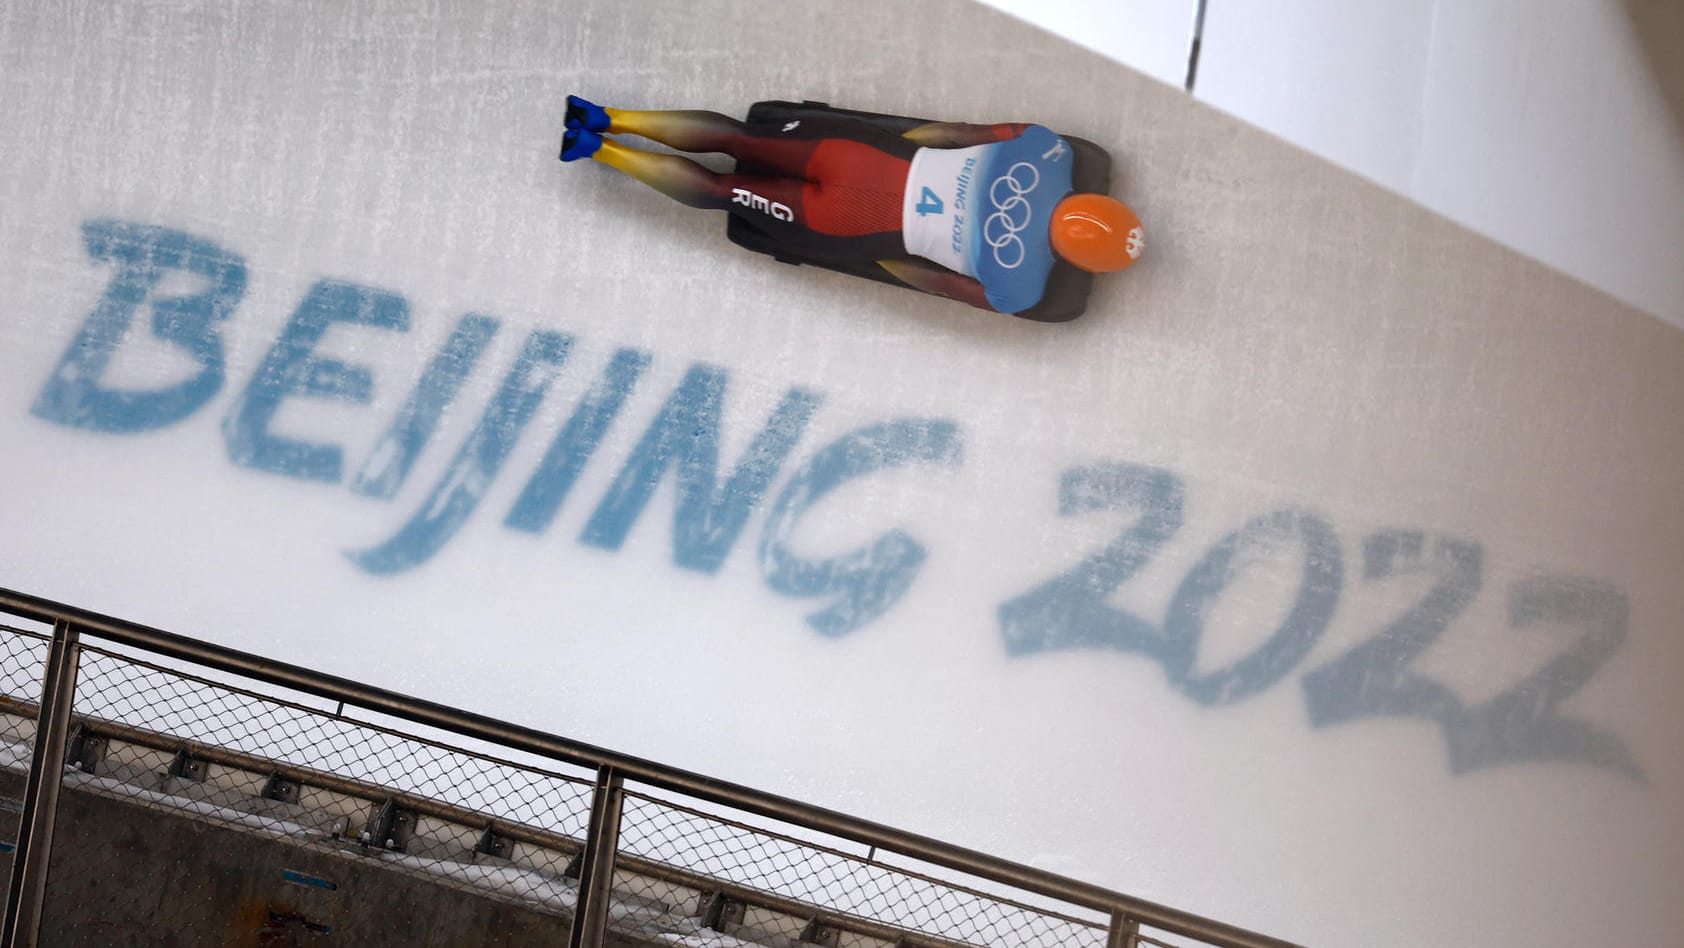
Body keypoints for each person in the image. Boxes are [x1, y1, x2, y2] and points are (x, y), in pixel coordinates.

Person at [561, 96, 1144, 316]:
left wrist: (889, 141)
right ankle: (599, 150)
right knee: (721, 193)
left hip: (861, 158)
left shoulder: (1048, 150)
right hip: (848, 227)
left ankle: (609, 117)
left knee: (737, 139)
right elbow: (934, 284)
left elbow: (955, 132)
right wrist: (874, 255)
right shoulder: (1021, 289)